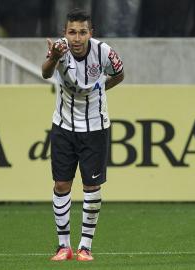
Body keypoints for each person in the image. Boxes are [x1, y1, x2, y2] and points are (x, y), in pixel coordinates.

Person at [41, 8, 124, 261]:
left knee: (91, 185)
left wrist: (98, 90)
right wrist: (53, 58)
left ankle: (85, 246)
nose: (77, 38)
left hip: (96, 126)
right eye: (72, 32)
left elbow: (119, 74)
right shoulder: (59, 49)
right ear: (65, 33)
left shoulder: (104, 52)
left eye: (82, 32)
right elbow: (45, 73)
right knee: (61, 184)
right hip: (64, 126)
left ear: (91, 33)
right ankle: (63, 246)